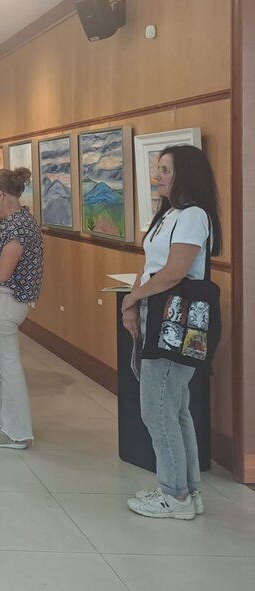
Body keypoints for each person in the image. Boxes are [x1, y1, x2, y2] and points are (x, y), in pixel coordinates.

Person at [121, 145, 221, 520]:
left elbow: (175, 272)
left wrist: (133, 298)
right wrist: (132, 302)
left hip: (174, 320)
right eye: (158, 168)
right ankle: (187, 490)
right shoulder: (169, 213)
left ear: (185, 175)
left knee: (158, 410)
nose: (157, 176)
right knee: (174, 409)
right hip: (157, 312)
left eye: (165, 170)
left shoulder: (194, 216)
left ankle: (173, 494)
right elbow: (151, 266)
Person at [0, 168, 44, 449]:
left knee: (8, 366)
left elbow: (3, 272)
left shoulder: (18, 227)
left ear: (1, 194)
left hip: (6, 300)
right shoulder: (17, 222)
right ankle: (2, 418)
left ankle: (16, 431)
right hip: (0, 299)